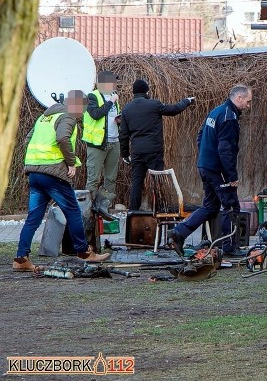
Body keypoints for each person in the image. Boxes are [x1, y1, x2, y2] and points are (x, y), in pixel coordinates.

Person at [13, 90, 110, 271]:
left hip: (34, 172)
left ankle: (21, 258)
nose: (82, 113)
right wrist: (71, 163)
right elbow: (62, 138)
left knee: (33, 217)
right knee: (73, 211)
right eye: (83, 108)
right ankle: (84, 251)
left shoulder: (44, 117)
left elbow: (28, 139)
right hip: (53, 173)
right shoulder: (68, 116)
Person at [168, 84, 252, 256]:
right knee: (231, 206)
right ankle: (229, 248)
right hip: (217, 169)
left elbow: (200, 136)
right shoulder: (229, 118)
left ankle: (179, 233)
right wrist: (231, 176)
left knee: (211, 206)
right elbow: (226, 150)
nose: (248, 106)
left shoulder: (216, 111)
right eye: (248, 102)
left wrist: (205, 157)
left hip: (205, 166)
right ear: (239, 98)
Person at [119, 79, 194, 210]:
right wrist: (187, 101)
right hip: (154, 151)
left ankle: (133, 213)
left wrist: (125, 154)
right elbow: (174, 109)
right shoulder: (154, 105)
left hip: (137, 152)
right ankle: (158, 210)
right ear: (146, 91)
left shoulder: (126, 109)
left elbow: (123, 135)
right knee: (157, 181)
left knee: (136, 182)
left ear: (134, 93)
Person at [83, 71, 120, 215]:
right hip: (97, 145)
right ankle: (89, 212)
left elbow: (111, 118)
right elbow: (96, 114)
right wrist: (111, 101)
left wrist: (119, 121)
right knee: (93, 178)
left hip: (114, 142)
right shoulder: (93, 96)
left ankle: (104, 208)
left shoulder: (115, 97)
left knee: (111, 178)